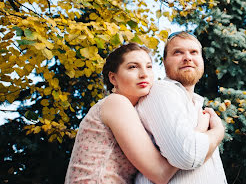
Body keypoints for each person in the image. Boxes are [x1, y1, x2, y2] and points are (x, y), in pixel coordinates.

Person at [64, 43, 211, 184]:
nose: (144, 74)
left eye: (148, 67)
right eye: (133, 67)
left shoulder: (133, 110)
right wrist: (201, 130)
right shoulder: (116, 103)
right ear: (113, 78)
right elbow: (160, 174)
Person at [135, 32, 227, 184]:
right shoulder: (160, 90)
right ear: (164, 62)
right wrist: (218, 133)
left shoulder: (198, 105)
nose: (188, 58)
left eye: (194, 52)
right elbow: (187, 155)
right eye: (178, 52)